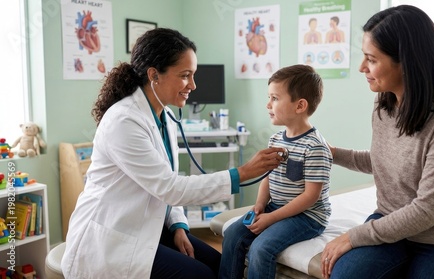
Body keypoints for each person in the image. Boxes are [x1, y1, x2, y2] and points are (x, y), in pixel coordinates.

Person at [61, 28, 285, 279]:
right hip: (112, 238)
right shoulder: (123, 121)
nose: (193, 85)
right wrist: (241, 174)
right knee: (201, 275)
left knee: (220, 264)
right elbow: (170, 187)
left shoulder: (164, 116)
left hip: (149, 227)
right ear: (154, 75)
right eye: (185, 76)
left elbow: (166, 183)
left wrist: (178, 225)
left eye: (193, 75)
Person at [321, 5, 434, 279]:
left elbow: (426, 210)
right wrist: (331, 153)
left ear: (406, 62)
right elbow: (385, 161)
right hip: (391, 222)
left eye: (371, 59)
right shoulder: (384, 103)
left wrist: (354, 236)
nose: (362, 67)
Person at [220, 64, 333, 279]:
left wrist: (271, 218)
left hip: (307, 216)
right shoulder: (275, 139)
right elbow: (268, 178)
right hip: (276, 206)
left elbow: (311, 197)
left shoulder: (315, 147)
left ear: (299, 106)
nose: (268, 104)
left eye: (274, 98)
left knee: (261, 248)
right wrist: (261, 205)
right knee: (233, 234)